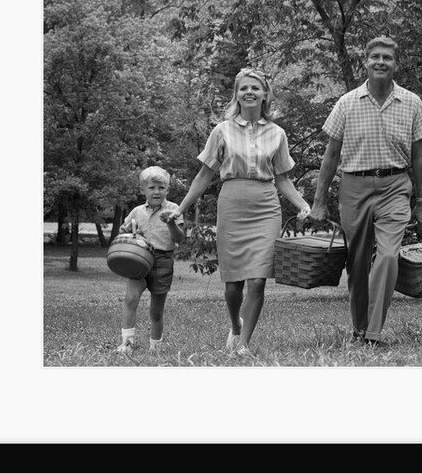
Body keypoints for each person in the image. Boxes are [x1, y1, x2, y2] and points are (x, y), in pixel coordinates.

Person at [162, 67, 311, 356]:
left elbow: (282, 178)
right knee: (233, 286)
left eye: (255, 87)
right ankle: (234, 325)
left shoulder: (277, 133)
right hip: (232, 204)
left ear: (265, 94)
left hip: (266, 207)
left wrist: (303, 205)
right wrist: (180, 209)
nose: (249, 92)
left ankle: (243, 345)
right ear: (237, 95)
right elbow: (204, 176)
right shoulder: (222, 130)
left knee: (257, 280)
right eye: (244, 88)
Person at [310, 36, 422, 347]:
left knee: (389, 256)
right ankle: (359, 328)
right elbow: (331, 155)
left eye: (387, 58)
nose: (381, 62)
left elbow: (419, 157)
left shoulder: (412, 102)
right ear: (365, 62)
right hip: (354, 187)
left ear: (395, 64)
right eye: (375, 57)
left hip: (395, 186)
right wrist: (319, 202)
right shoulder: (347, 102)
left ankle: (373, 333)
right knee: (358, 263)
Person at [115, 166, 185, 354]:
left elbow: (179, 238)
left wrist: (170, 222)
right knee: (130, 299)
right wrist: (127, 232)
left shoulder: (174, 209)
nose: (156, 192)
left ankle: (155, 347)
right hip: (139, 258)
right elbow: (124, 230)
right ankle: (127, 344)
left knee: (156, 311)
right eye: (152, 187)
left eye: (161, 187)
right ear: (143, 190)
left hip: (163, 261)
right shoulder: (137, 212)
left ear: (167, 189)